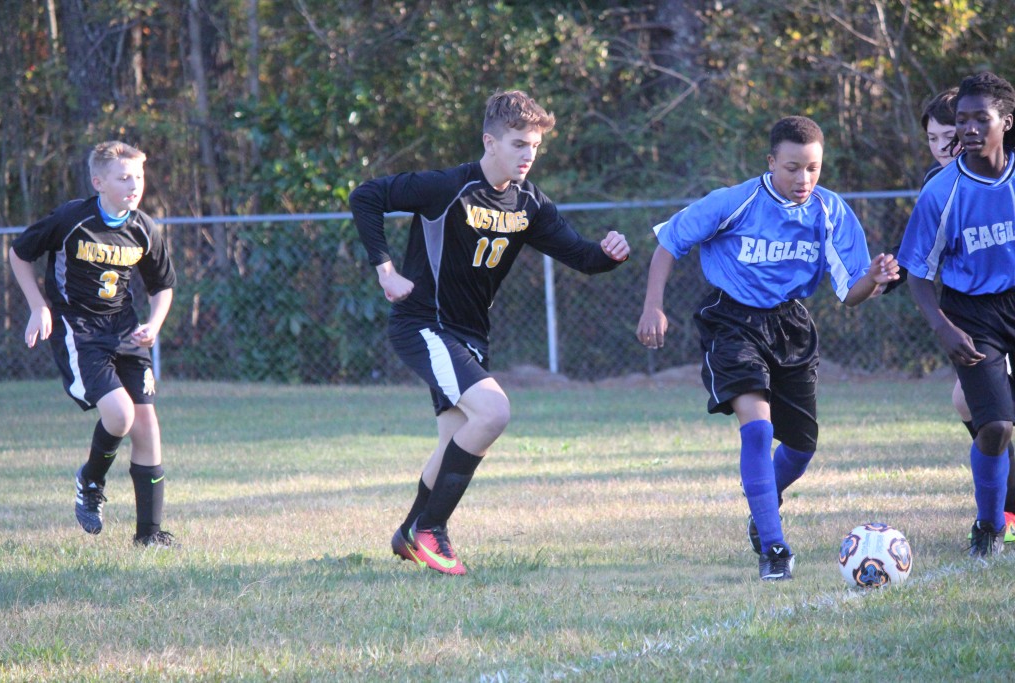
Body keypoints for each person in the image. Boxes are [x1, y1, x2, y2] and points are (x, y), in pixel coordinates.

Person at [349, 90, 630, 575]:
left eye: (535, 147)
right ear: (490, 142)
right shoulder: (447, 187)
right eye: (519, 144)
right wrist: (385, 269)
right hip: (424, 325)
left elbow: (583, 258)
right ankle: (431, 529)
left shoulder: (530, 205)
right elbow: (366, 197)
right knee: (493, 410)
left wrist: (608, 253)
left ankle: (408, 532)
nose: (528, 155)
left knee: (454, 438)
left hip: (470, 335)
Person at [637, 116, 899, 581]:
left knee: (800, 447)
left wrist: (874, 280)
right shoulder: (733, 202)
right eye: (793, 167)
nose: (803, 179)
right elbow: (668, 244)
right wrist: (653, 306)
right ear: (771, 162)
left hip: (791, 324)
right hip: (731, 320)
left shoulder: (831, 211)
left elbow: (850, 291)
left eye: (813, 169)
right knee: (757, 429)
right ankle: (774, 548)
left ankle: (762, 513)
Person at [9, 140, 178, 547]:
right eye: (123, 177)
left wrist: (154, 323)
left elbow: (163, 287)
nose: (133, 184)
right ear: (98, 181)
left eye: (138, 176)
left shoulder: (143, 228)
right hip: (79, 330)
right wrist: (39, 306)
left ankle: (149, 536)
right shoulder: (72, 219)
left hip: (125, 329)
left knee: (147, 425)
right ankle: (90, 480)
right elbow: (19, 253)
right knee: (119, 416)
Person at [898, 71, 1015, 558]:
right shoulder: (941, 192)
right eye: (961, 119)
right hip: (972, 312)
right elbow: (918, 274)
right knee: (995, 427)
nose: (967, 128)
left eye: (979, 118)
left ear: (1005, 122)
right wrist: (943, 327)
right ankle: (989, 525)